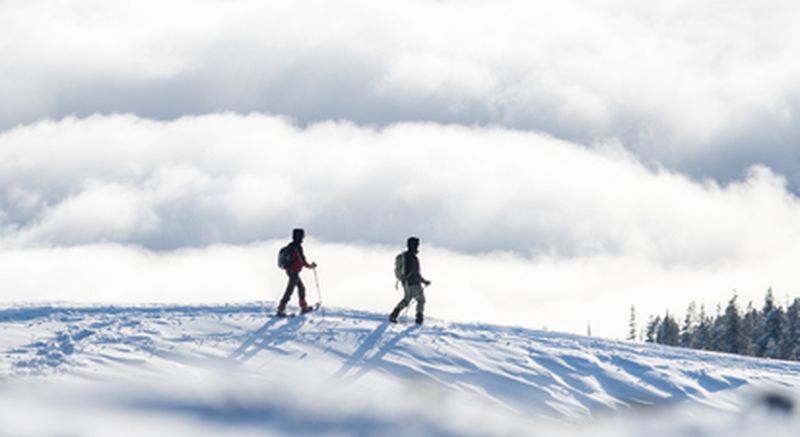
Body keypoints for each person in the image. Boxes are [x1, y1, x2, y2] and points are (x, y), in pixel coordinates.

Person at [389, 236, 431, 324]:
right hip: (414, 283)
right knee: (421, 300)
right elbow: (416, 273)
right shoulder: (413, 258)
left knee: (406, 299)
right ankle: (419, 318)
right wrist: (424, 281)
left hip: (405, 282)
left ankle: (394, 314)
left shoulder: (405, 256)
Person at [277, 228, 317, 316]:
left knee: (300, 288)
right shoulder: (297, 247)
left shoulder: (291, 245)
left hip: (291, 271)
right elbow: (302, 261)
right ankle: (281, 309)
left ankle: (301, 307)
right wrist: (311, 266)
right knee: (290, 291)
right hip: (293, 272)